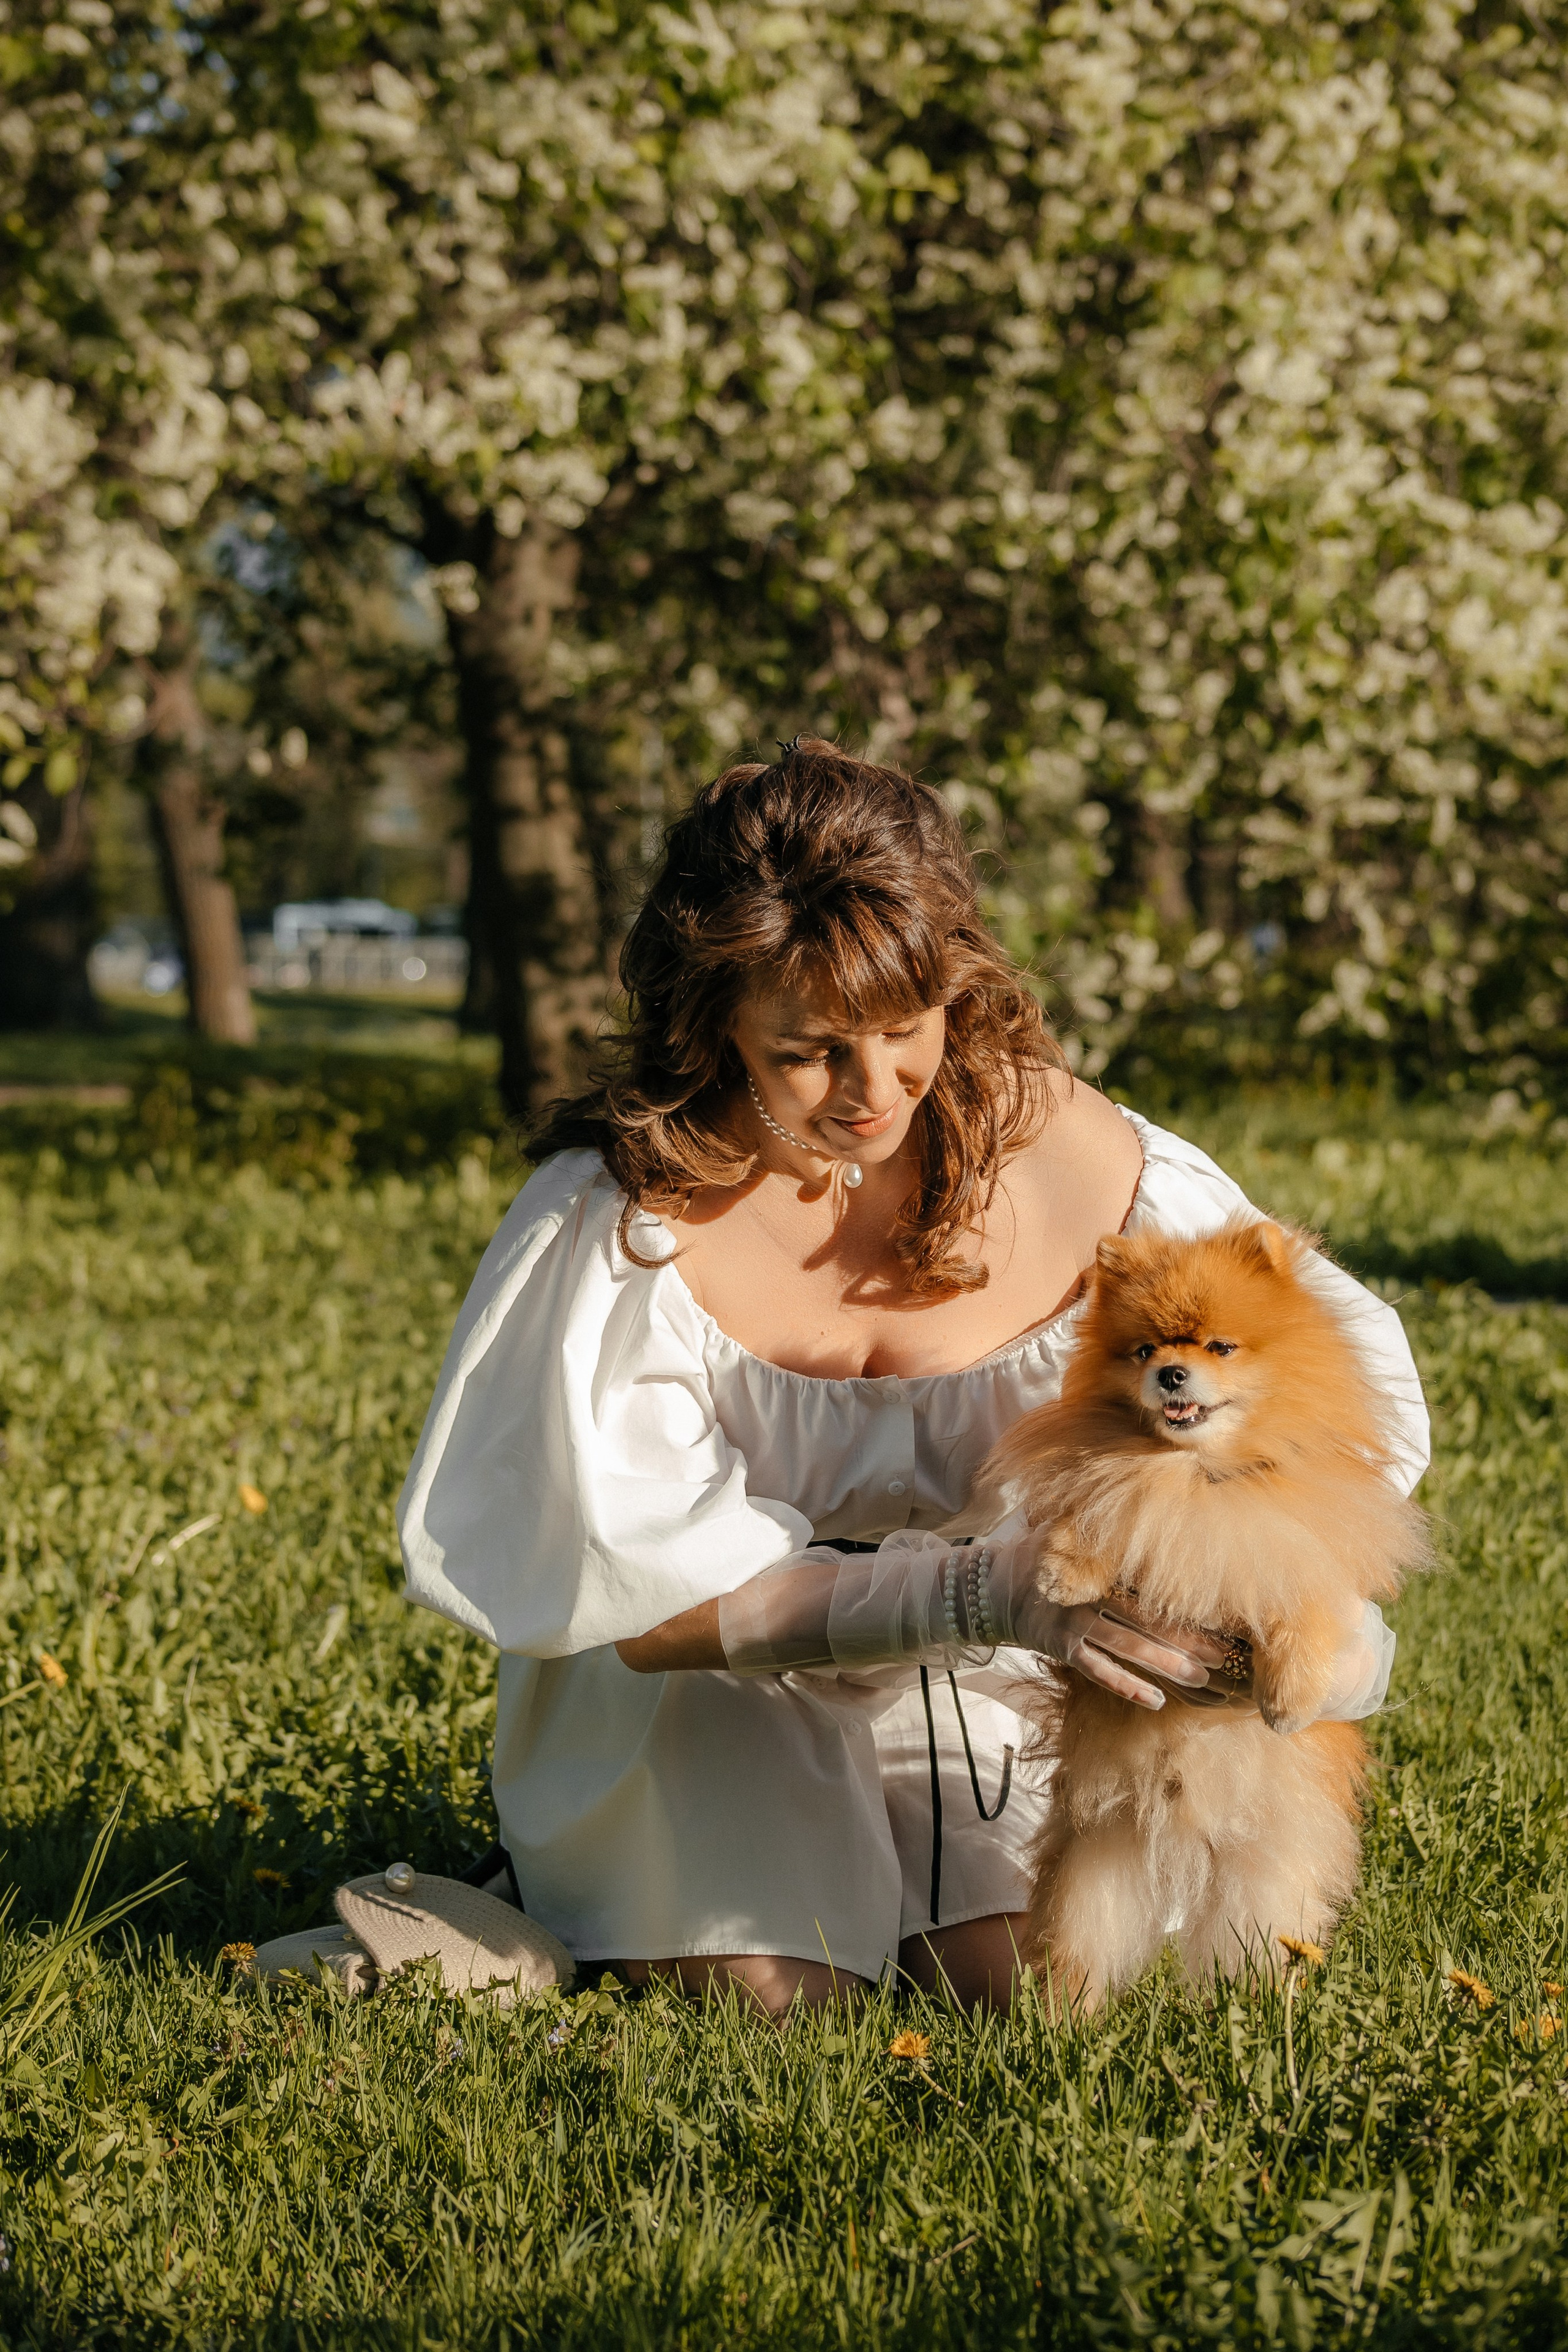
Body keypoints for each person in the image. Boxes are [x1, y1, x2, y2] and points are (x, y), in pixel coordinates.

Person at [399, 741, 1427, 2016]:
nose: (872, 1091)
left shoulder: (1083, 1154)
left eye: (905, 1029)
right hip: (707, 1685)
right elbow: (635, 1606)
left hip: (1007, 1667)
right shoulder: (615, 1226)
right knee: (777, 1992)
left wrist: (1308, 1631)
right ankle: (534, 1890)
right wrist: (975, 1589)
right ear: (713, 1014)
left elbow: (1308, 1407)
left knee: (1010, 1980)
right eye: (810, 1050)